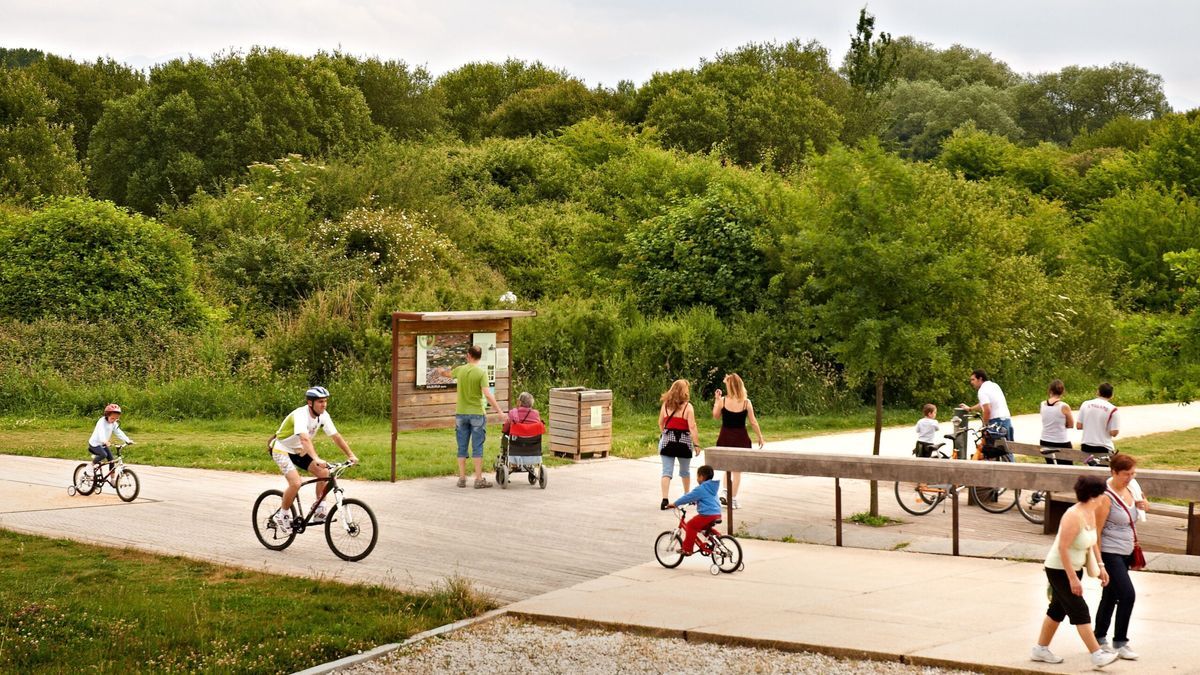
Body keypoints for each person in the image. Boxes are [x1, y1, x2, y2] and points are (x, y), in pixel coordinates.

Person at [1031, 475, 1118, 668]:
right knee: (1080, 610)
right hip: (1059, 569)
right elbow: (1063, 548)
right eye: (1104, 492)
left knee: (1057, 610)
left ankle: (1040, 649)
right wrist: (1072, 579)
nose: (1106, 495)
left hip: (1074, 568)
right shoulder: (1073, 515)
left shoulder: (1091, 511)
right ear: (1095, 495)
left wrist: (1101, 566)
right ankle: (1097, 654)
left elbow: (1093, 541)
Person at [268, 387, 358, 533]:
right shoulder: (300, 415)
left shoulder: (323, 416)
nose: (324, 405)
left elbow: (336, 436)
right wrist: (316, 458)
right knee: (296, 483)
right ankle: (282, 514)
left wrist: (351, 455)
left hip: (298, 450)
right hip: (281, 449)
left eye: (325, 401)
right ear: (310, 403)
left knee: (324, 472)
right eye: (320, 402)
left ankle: (319, 509)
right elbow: (304, 438)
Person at [1093, 453, 1147, 661]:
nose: (1130, 477)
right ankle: (1120, 641)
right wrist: (1100, 563)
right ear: (1113, 472)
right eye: (1126, 474)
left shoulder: (1132, 488)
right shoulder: (1106, 497)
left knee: (1110, 596)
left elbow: (1141, 507)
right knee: (1127, 595)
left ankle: (1099, 637)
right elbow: (1096, 531)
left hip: (1126, 550)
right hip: (1110, 551)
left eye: (1133, 473)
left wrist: (1143, 506)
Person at [452, 344, 505, 489]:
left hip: (461, 413)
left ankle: (462, 479)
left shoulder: (460, 370)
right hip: (477, 414)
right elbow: (487, 394)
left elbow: (447, 374)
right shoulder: (481, 373)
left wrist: (439, 371)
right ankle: (478, 479)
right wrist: (499, 411)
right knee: (477, 446)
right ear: (480, 357)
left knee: (461, 446)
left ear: (468, 356)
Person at [712, 373, 764, 510]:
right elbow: (753, 421)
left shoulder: (723, 400)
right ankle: (732, 499)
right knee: (737, 472)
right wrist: (760, 436)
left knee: (727, 468)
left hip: (725, 436)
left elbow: (716, 416)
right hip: (741, 437)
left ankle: (725, 491)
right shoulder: (746, 402)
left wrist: (717, 400)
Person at [659, 379, 700, 510]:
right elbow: (692, 427)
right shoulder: (688, 407)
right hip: (684, 442)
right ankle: (687, 496)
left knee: (666, 472)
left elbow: (660, 423)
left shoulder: (665, 405)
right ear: (684, 392)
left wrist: (665, 433)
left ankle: (665, 499)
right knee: (685, 471)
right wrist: (697, 444)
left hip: (667, 442)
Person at [667, 464, 722, 555]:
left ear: (701, 477)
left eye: (697, 476)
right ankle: (718, 538)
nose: (697, 479)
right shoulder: (712, 487)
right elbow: (708, 499)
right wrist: (695, 502)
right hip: (716, 513)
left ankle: (687, 549)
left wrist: (675, 504)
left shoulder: (701, 488)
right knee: (703, 528)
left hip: (707, 514)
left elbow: (688, 497)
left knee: (691, 525)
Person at [1077, 383, 1120, 462]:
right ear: (1112, 395)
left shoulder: (1085, 404)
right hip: (1103, 446)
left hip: (1086, 445)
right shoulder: (1113, 409)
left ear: (1098, 392)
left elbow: (1079, 426)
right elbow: (1114, 433)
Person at [1040, 379, 1075, 465]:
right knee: (1067, 466)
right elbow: (1071, 425)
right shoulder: (1064, 406)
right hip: (1061, 441)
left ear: (1050, 390)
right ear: (1062, 392)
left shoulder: (1042, 404)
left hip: (1045, 440)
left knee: (1051, 465)